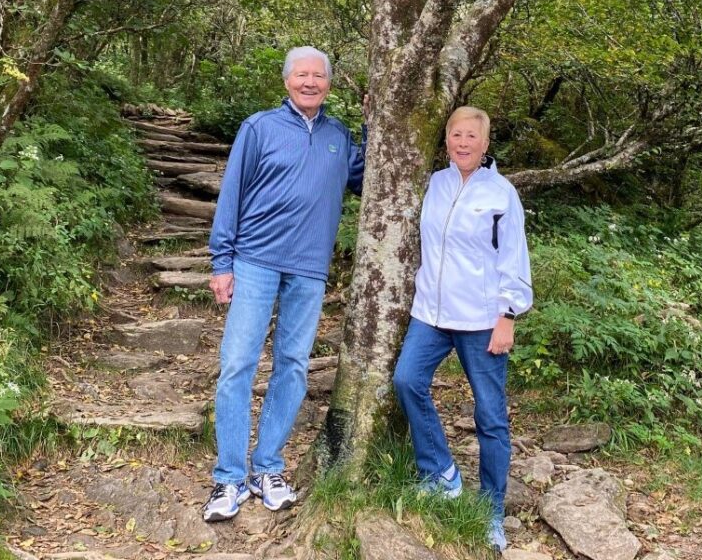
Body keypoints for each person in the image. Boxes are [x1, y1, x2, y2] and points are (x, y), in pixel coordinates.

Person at [202, 46, 365, 522]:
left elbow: (366, 177)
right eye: (301, 74)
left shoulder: (340, 136)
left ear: (329, 84)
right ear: (287, 81)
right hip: (254, 261)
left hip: (310, 268)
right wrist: (221, 260)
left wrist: (374, 125)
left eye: (318, 75)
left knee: (292, 365)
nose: (310, 82)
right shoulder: (259, 128)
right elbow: (231, 191)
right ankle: (229, 477)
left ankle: (267, 468)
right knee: (237, 364)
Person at [392, 106, 532, 553]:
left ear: (486, 143)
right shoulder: (435, 183)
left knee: (490, 417)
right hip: (431, 315)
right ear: (447, 139)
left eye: (472, 136)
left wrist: (508, 315)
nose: (463, 143)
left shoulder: (501, 194)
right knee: (406, 380)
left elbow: (514, 255)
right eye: (456, 134)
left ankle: (492, 511)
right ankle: (441, 472)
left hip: (481, 320)